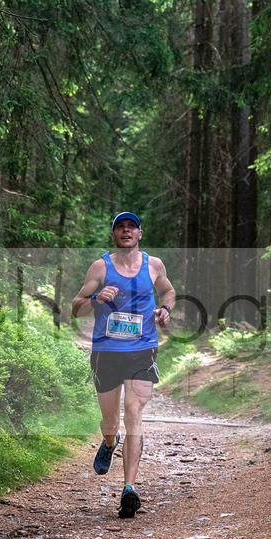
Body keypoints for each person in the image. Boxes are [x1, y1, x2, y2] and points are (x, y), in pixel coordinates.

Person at [71, 212, 175, 518]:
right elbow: (76, 308)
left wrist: (165, 309)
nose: (126, 231)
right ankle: (108, 440)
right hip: (107, 351)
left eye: (131, 227)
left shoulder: (153, 265)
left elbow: (168, 290)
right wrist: (96, 299)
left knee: (133, 411)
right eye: (121, 227)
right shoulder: (100, 267)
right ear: (114, 235)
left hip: (143, 349)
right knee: (111, 421)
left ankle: (129, 487)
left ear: (140, 233)